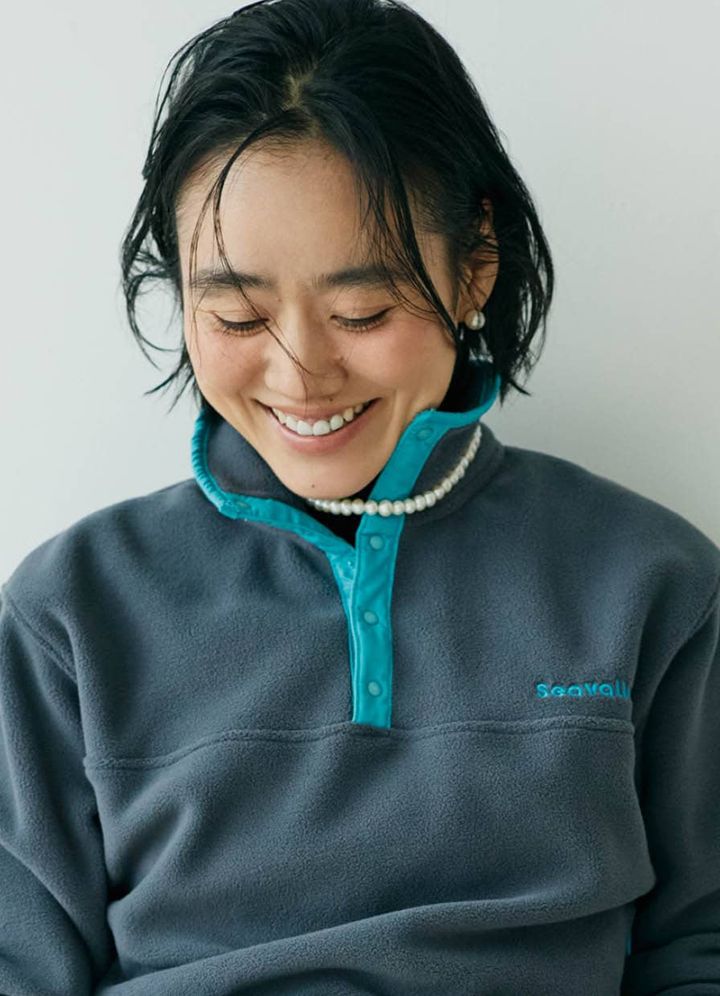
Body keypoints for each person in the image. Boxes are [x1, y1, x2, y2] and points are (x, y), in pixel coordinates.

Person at [1, 0, 719, 992]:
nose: (301, 374)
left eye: (362, 311)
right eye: (238, 315)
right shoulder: (68, 615)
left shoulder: (654, 584)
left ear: (476, 267)